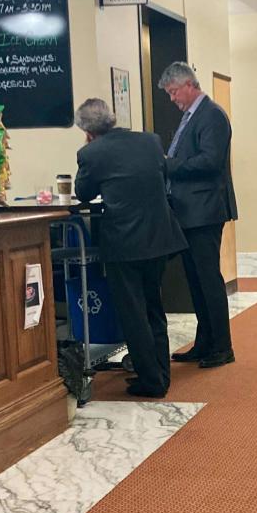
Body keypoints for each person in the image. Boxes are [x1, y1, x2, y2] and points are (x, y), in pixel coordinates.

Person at [73, 99, 187, 399]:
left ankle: (151, 381)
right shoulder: (150, 141)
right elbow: (160, 176)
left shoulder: (91, 153)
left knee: (133, 313)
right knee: (153, 307)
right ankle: (162, 373)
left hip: (125, 242)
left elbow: (83, 193)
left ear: (86, 130)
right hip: (159, 237)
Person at [158, 61, 238, 369]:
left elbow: (210, 161)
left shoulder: (212, 115)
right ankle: (204, 342)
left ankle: (222, 346)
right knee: (196, 281)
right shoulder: (192, 115)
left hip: (204, 210)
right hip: (190, 211)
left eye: (174, 92)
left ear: (189, 85)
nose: (173, 98)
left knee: (208, 280)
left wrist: (169, 164)